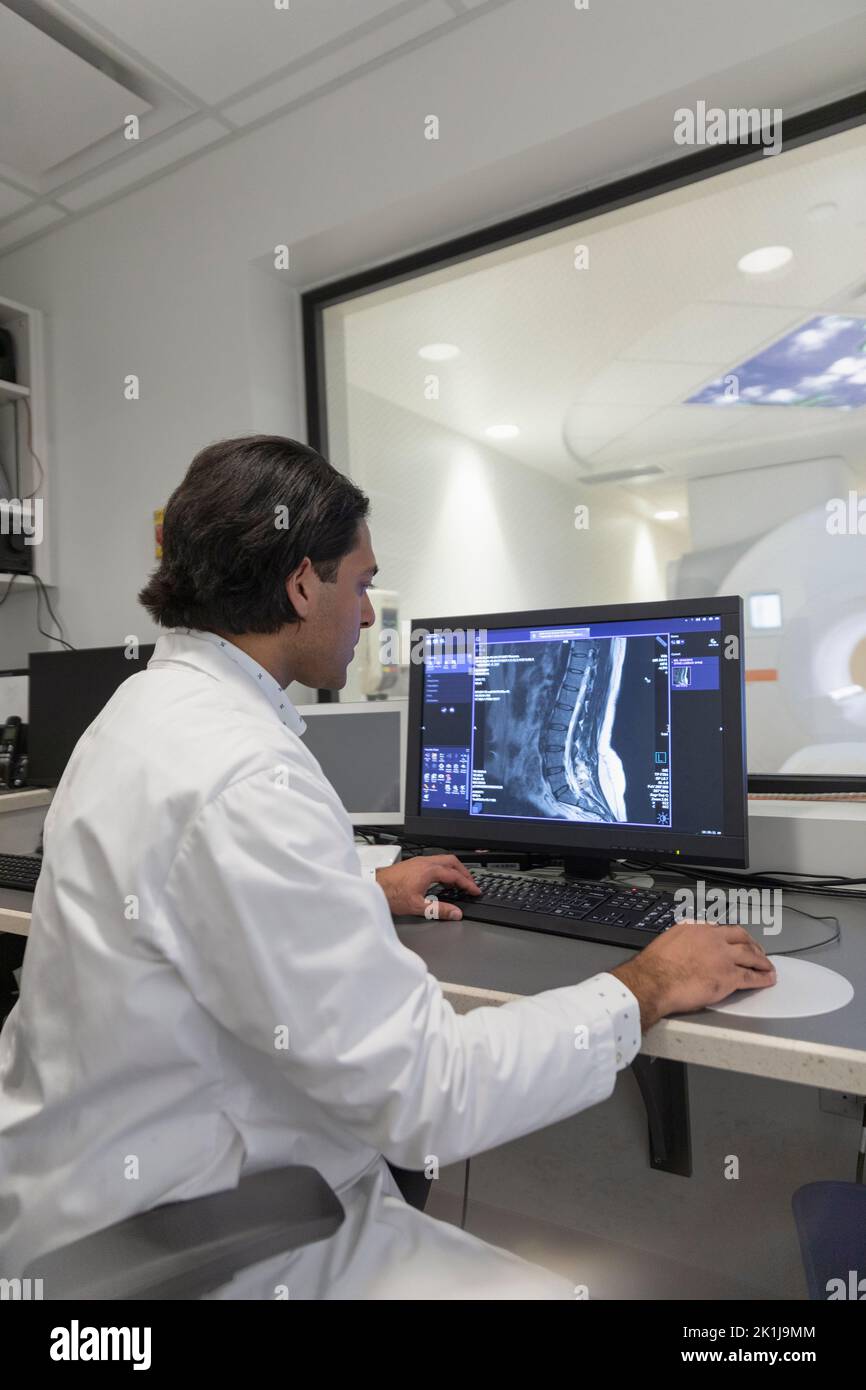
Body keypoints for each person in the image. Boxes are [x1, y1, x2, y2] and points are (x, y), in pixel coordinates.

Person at [0, 436, 776, 1300]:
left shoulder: (143, 711)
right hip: (205, 1235)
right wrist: (644, 987)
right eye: (362, 583)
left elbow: (187, 901)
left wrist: (351, 893)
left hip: (79, 1187)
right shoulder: (247, 775)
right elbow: (430, 1097)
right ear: (302, 584)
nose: (371, 614)